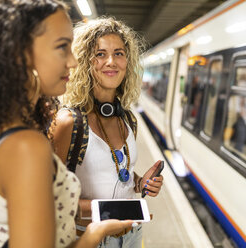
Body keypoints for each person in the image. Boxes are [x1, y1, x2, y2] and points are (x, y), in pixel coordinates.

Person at [0, 1, 134, 248]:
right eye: (61, 47)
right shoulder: (26, 146)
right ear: (20, 54)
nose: (73, 62)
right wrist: (95, 233)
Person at [50, 17, 164, 247]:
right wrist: (108, 210)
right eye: (100, 54)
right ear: (85, 61)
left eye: (119, 53)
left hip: (132, 234)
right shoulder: (68, 122)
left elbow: (117, 171)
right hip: (87, 236)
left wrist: (140, 183)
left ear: (127, 61)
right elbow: (47, 196)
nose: (111, 61)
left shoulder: (127, 119)